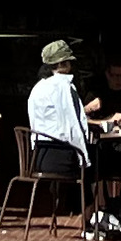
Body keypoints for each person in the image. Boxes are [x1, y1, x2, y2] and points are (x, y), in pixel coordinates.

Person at [25, 38, 94, 222]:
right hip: (57, 158)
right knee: (94, 165)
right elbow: (72, 126)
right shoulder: (64, 86)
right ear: (64, 63)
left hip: (38, 157)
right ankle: (88, 220)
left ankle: (76, 210)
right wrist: (84, 156)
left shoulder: (38, 87)